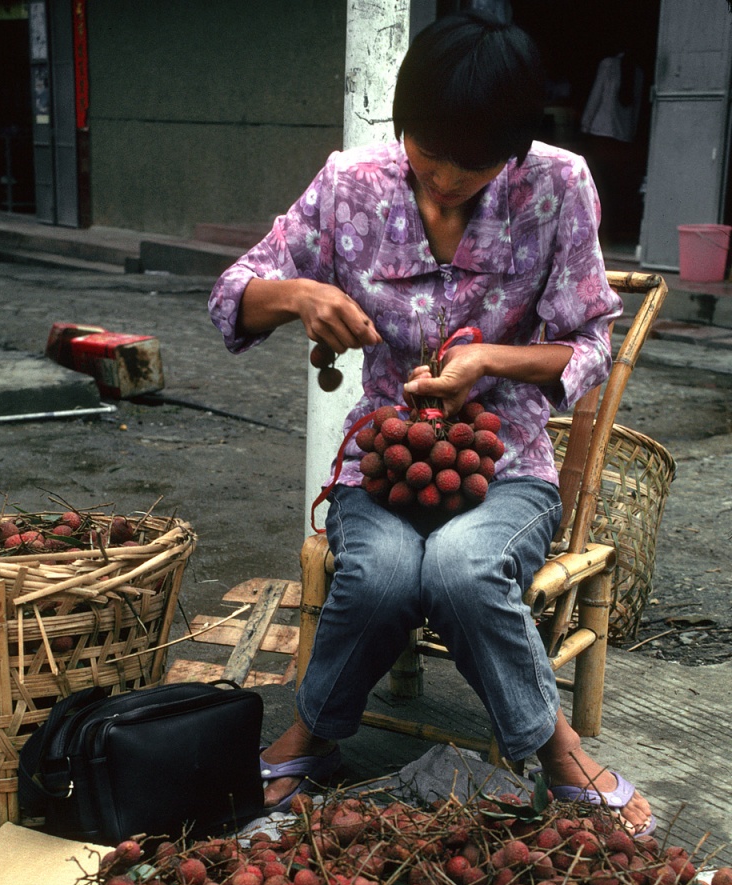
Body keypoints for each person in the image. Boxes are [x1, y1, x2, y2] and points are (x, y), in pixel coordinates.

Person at [209, 12, 654, 835]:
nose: (444, 179)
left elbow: (590, 342)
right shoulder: (352, 183)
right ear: (401, 123)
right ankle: (313, 739)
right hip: (383, 459)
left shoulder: (558, 186)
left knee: (458, 568)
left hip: (507, 464)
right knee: (379, 575)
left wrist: (490, 362)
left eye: (473, 164)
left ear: (517, 147)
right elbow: (232, 293)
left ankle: (555, 754)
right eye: (428, 153)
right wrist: (301, 296)